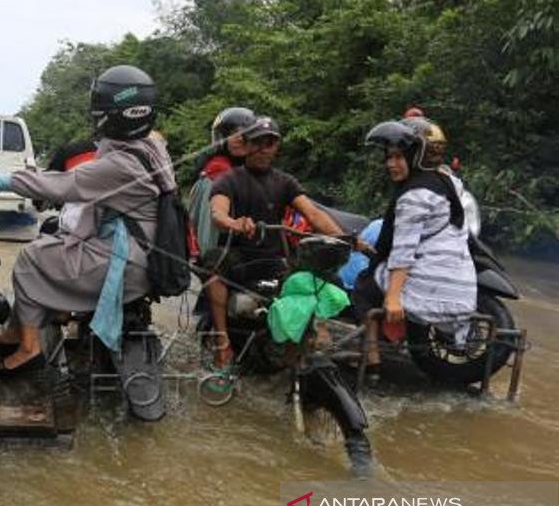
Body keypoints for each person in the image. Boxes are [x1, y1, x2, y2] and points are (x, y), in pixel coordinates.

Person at [0, 64, 176, 379]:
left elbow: (57, 185)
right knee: (51, 245)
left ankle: (28, 348)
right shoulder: (151, 145)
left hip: (128, 262)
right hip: (141, 249)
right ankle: (15, 330)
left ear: (108, 115)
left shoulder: (119, 165)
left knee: (30, 258)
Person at [203, 116, 348, 386]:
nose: (263, 148)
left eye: (269, 142)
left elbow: (314, 214)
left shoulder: (285, 182)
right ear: (246, 145)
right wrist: (235, 223)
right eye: (257, 142)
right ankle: (223, 343)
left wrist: (347, 238)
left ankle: (300, 349)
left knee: (317, 281)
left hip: (274, 259)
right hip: (238, 256)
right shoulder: (229, 180)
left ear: (276, 147)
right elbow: (217, 213)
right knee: (212, 270)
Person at [355, 117, 476, 382]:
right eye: (388, 157)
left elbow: (403, 252)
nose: (391, 164)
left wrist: (394, 298)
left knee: (363, 288)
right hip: (465, 291)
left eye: (399, 157)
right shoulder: (448, 182)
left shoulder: (413, 197)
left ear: (416, 155)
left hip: (430, 292)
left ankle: (373, 366)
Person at [187, 107, 256, 257]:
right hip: (221, 257)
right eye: (233, 133)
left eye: (245, 132)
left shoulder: (252, 171)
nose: (239, 138)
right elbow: (206, 231)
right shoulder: (217, 172)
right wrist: (211, 263)